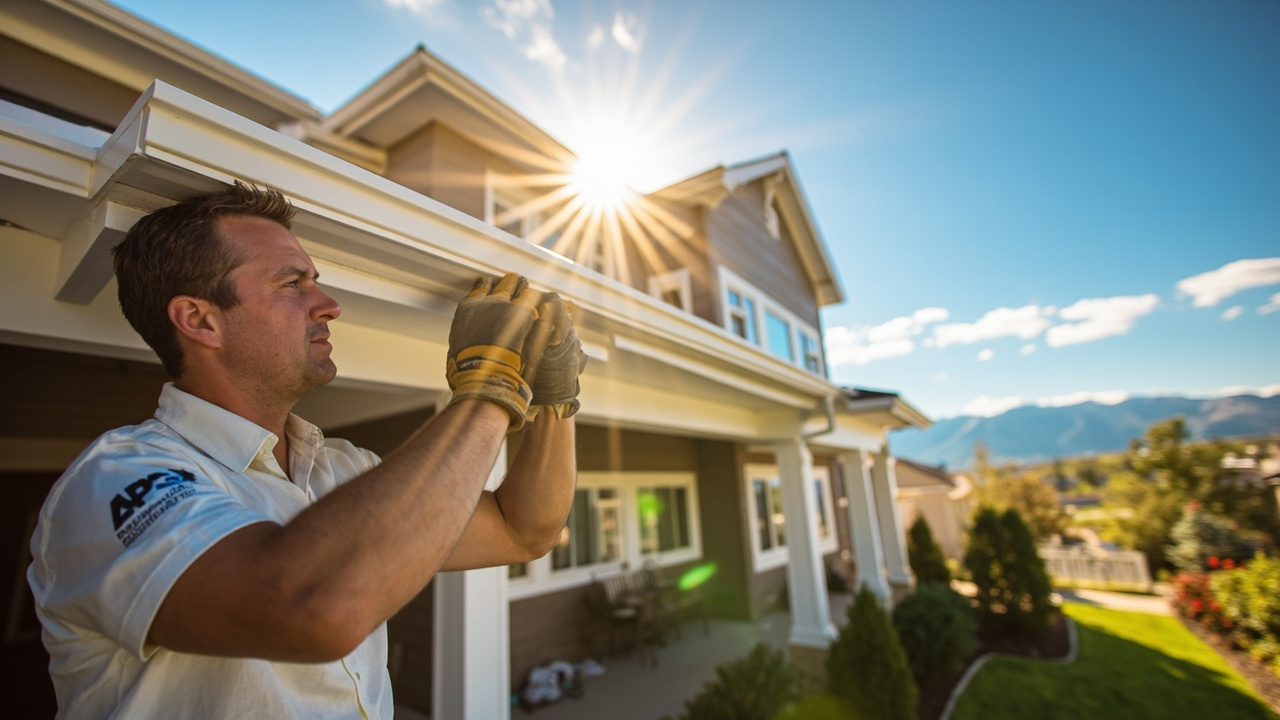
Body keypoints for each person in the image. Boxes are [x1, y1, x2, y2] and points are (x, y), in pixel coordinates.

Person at [27, 183, 585, 719]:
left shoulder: (344, 468)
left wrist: (554, 401)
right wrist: (492, 384)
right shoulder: (118, 477)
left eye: (316, 280)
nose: (330, 304)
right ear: (199, 320)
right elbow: (315, 608)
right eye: (293, 283)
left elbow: (523, 530)